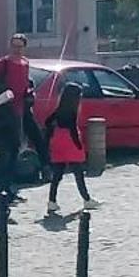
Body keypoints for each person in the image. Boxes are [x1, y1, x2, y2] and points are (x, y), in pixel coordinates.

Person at [0, 34, 45, 198]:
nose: (17, 49)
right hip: (3, 114)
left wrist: (29, 94)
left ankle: (8, 188)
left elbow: (24, 86)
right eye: (14, 46)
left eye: (20, 46)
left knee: (14, 152)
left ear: (24, 47)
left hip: (19, 113)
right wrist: (3, 96)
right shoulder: (1, 63)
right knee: (5, 153)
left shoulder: (25, 63)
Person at [43, 82, 99, 214]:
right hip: (70, 143)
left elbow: (47, 121)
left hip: (58, 141)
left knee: (57, 175)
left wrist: (52, 130)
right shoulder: (72, 112)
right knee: (78, 174)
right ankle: (87, 199)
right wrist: (79, 145)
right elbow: (73, 129)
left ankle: (52, 201)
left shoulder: (59, 110)